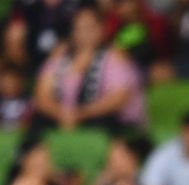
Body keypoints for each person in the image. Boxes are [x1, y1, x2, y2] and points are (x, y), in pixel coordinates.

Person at [30, 4, 146, 133]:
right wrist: (62, 115)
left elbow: (118, 98)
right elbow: (42, 96)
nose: (84, 33)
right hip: (63, 119)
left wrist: (81, 114)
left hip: (107, 121)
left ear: (102, 28)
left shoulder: (115, 56)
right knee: (39, 123)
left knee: (102, 123)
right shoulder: (60, 56)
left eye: (90, 27)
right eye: (79, 28)